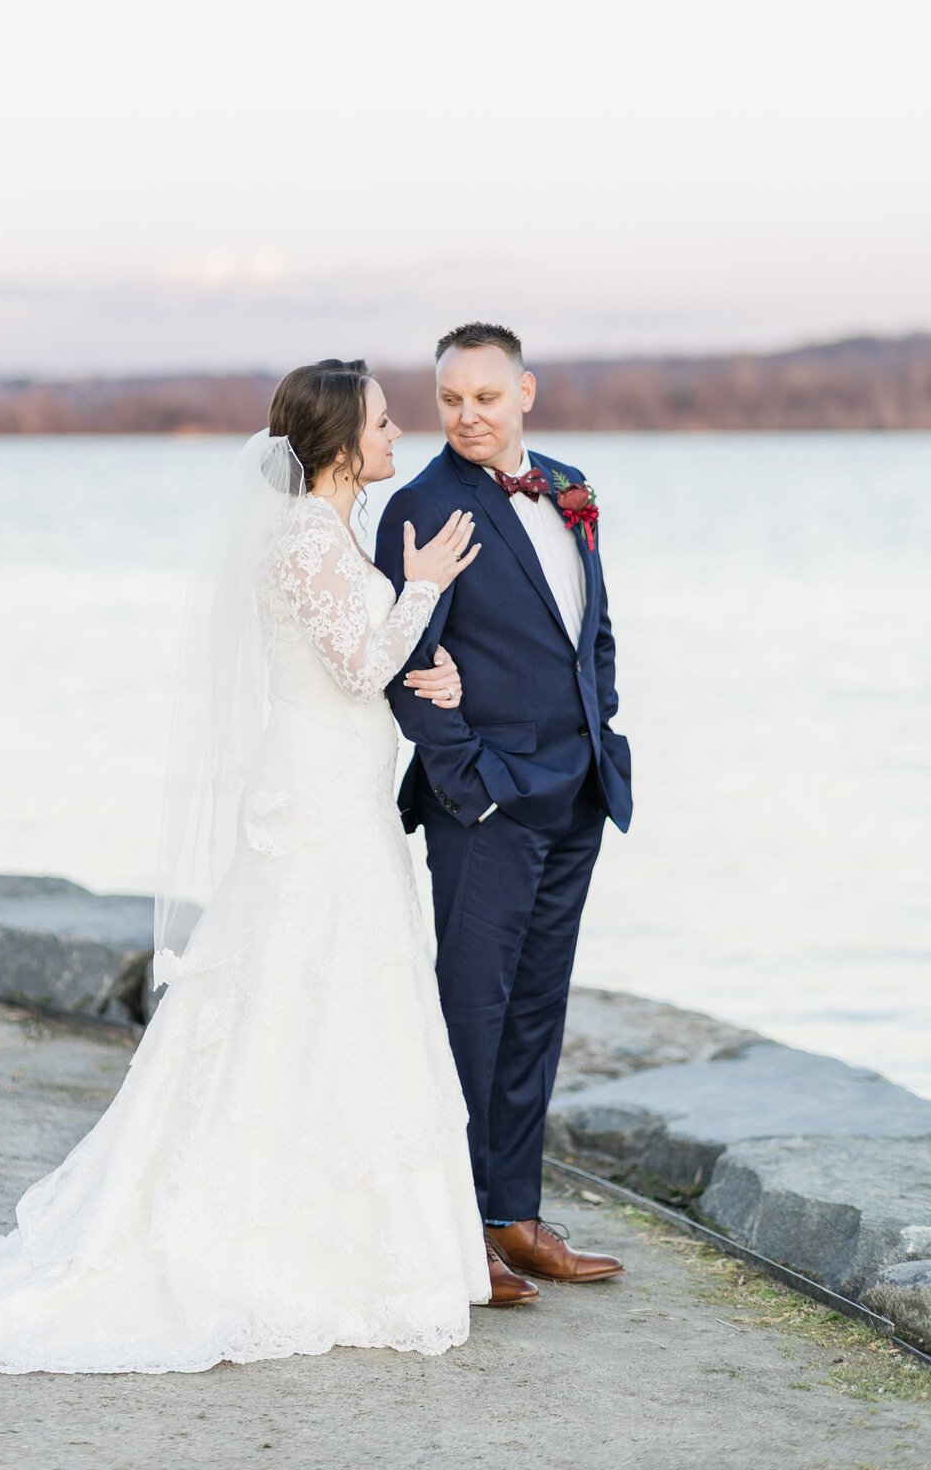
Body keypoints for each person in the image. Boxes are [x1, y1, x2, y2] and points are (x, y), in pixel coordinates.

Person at [0, 358, 538, 1379]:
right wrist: (423, 591)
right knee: (298, 993)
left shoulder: (327, 536)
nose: (400, 434)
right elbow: (361, 665)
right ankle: (287, 1233)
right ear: (337, 446)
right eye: (383, 421)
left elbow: (363, 665)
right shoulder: (306, 543)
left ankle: (375, 1234)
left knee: (342, 1001)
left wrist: (428, 660)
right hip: (314, 805)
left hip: (342, 791)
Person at [377, 323, 633, 1287]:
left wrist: (600, 725)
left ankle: (514, 1215)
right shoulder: (420, 506)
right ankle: (455, 1234)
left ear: (524, 391)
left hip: (578, 790)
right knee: (470, 1013)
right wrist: (467, 780)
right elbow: (405, 660)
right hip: (484, 805)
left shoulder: (570, 486)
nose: (467, 416)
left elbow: (590, 629)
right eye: (450, 400)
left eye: (486, 397)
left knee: (537, 1010)